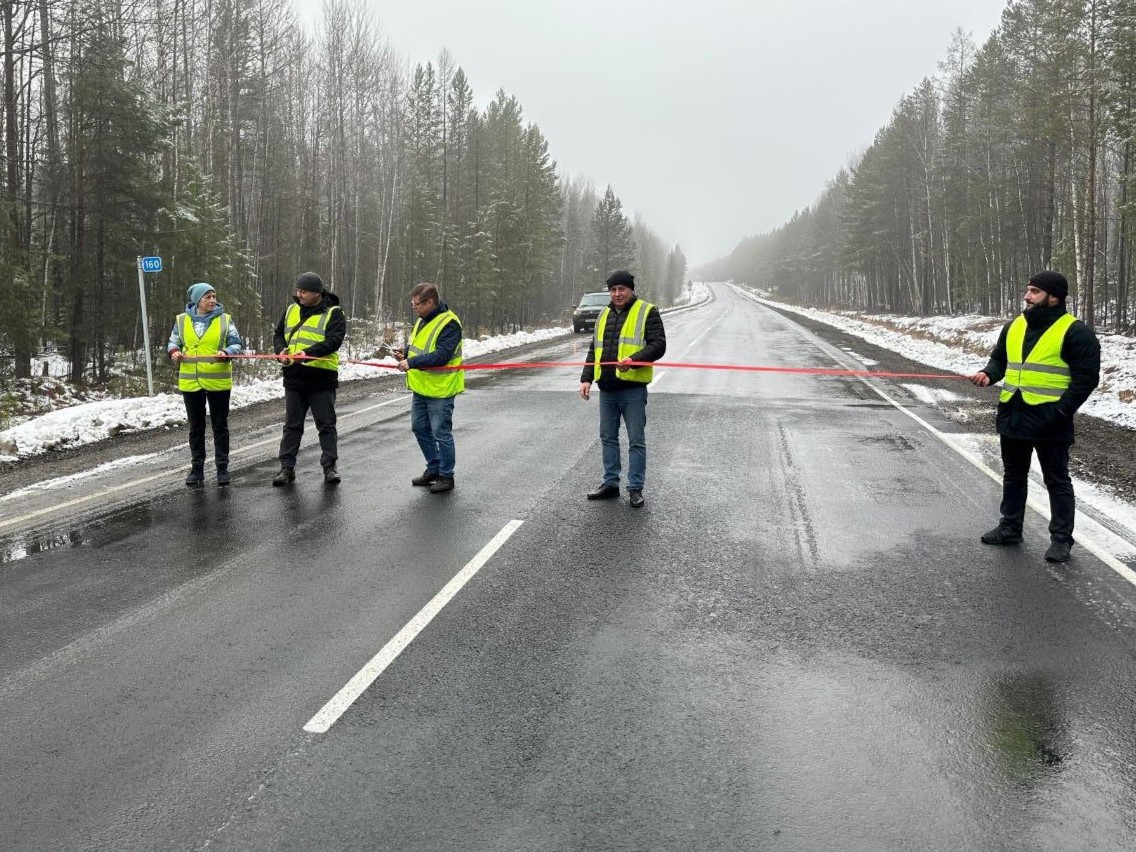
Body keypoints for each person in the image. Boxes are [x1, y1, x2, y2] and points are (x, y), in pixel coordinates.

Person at [970, 270, 1100, 562]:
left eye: (1034, 291)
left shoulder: (1076, 332)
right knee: (1014, 476)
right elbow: (999, 360)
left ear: (1054, 297)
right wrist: (988, 374)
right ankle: (1010, 527)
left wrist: (1062, 411)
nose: (1027, 296)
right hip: (1014, 414)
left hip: (1050, 419)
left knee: (1056, 480)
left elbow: (1086, 379)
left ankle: (1061, 539)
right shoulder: (1014, 325)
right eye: (1027, 290)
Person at [579, 270, 666, 508]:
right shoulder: (603, 314)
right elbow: (593, 348)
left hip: (632, 389)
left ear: (631, 290)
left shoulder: (647, 311)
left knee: (636, 440)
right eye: (613, 289)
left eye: (622, 289)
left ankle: (635, 488)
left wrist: (634, 360)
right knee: (608, 437)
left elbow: (659, 345)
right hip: (606, 388)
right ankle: (610, 484)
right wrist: (586, 378)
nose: (617, 294)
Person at [271, 271, 346, 486]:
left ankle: (330, 467)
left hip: (322, 379)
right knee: (292, 425)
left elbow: (334, 341)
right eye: (298, 290)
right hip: (294, 378)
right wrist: (281, 351)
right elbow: (278, 334)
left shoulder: (334, 313)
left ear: (317, 293)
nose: (299, 294)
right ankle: (286, 468)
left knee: (326, 424)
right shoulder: (291, 310)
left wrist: (308, 353)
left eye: (303, 291)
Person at [167, 282, 243, 488]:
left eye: (214, 296)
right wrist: (174, 352)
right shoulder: (181, 321)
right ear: (196, 300)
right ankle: (196, 469)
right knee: (196, 427)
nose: (212, 300)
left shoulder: (225, 320)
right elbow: (173, 342)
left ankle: (222, 468)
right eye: (207, 297)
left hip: (218, 381)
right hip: (191, 383)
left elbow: (236, 343)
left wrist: (227, 352)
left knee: (220, 426)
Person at [396, 282, 463, 494]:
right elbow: (421, 346)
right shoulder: (423, 320)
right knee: (419, 428)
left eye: (417, 304)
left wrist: (412, 363)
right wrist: (405, 353)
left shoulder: (449, 323)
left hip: (440, 390)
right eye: (412, 304)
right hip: (421, 387)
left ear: (430, 302)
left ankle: (446, 476)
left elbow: (442, 355)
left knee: (441, 432)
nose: (414, 308)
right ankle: (433, 468)